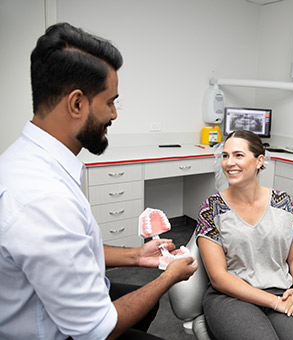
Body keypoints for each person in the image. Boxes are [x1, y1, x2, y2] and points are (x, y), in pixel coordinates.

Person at [0, 22, 197, 340]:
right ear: (77, 104)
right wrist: (168, 278)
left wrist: (136, 255)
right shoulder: (44, 199)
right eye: (110, 101)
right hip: (60, 332)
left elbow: (69, 248)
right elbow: (96, 330)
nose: (114, 114)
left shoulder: (26, 160)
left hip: (53, 302)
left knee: (144, 308)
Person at [195, 130, 293, 340]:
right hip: (231, 298)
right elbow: (218, 278)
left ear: (259, 161)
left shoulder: (283, 203)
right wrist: (274, 303)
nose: (229, 163)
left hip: (282, 291)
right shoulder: (212, 209)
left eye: (238, 155)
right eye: (225, 156)